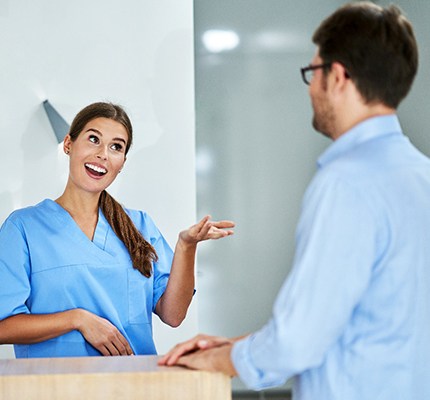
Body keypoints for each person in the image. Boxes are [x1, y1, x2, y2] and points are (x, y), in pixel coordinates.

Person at [159, 2, 430, 399]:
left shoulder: (345, 183)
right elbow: (355, 322)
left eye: (313, 72)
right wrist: (237, 348)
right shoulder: (422, 176)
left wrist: (220, 360)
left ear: (337, 77)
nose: (310, 87)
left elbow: (299, 341)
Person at [0, 101, 234, 358]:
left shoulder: (140, 226)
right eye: (93, 139)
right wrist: (78, 320)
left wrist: (186, 247)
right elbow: (4, 326)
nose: (103, 154)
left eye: (116, 147)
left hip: (132, 385)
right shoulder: (23, 228)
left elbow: (173, 314)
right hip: (55, 388)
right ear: (68, 144)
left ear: (121, 163)